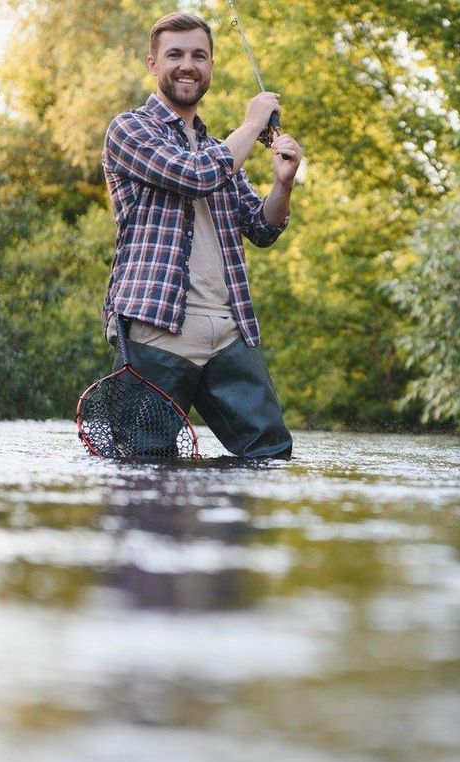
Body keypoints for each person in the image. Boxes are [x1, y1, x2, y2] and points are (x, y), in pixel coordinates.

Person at [100, 11, 301, 460]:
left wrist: (283, 184)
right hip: (157, 328)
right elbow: (191, 177)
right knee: (142, 467)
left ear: (210, 66)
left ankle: (214, 530)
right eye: (175, 54)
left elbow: (263, 227)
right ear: (153, 63)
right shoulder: (129, 129)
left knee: (270, 455)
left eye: (198, 55)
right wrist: (251, 126)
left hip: (228, 329)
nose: (187, 65)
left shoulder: (219, 150)